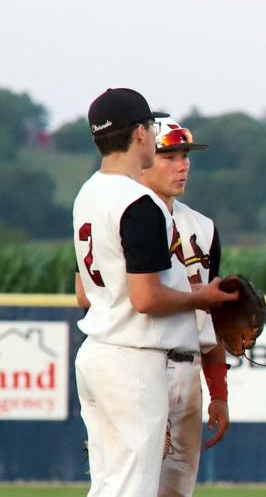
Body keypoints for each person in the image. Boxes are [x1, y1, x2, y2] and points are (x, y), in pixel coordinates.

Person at [73, 88, 235, 496]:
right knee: (133, 488)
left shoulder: (89, 191)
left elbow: (88, 289)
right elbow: (146, 299)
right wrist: (203, 298)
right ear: (141, 134)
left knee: (109, 486)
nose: (182, 165)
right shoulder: (138, 203)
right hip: (135, 359)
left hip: (101, 351)